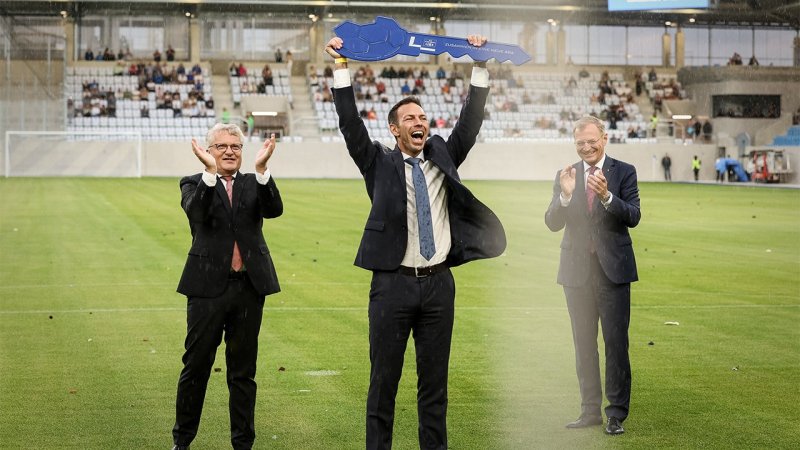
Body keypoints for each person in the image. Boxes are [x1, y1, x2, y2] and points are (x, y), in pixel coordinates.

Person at [325, 35, 506, 450]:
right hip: (392, 285)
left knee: (434, 387)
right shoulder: (377, 162)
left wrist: (480, 65)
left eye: (422, 117)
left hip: (440, 285)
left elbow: (470, 124)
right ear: (394, 129)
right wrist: (340, 66)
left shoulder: (443, 156)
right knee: (383, 383)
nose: (418, 122)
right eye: (409, 118)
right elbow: (350, 123)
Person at [171, 124, 283, 450]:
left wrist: (262, 171)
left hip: (249, 288)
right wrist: (209, 172)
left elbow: (274, 210)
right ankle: (182, 442)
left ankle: (243, 444)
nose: (229, 151)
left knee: (243, 373)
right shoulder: (193, 183)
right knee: (195, 368)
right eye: (221, 146)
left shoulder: (252, 183)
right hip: (206, 288)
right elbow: (197, 212)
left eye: (235, 146)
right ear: (209, 150)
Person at [544, 115, 641, 436]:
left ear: (604, 138)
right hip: (576, 274)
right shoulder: (566, 175)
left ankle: (615, 414)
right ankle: (589, 411)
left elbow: (634, 216)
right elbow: (552, 222)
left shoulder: (624, 172)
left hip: (613, 272)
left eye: (591, 141)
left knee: (616, 345)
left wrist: (607, 197)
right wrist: (566, 196)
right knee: (583, 344)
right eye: (580, 143)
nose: (586, 147)